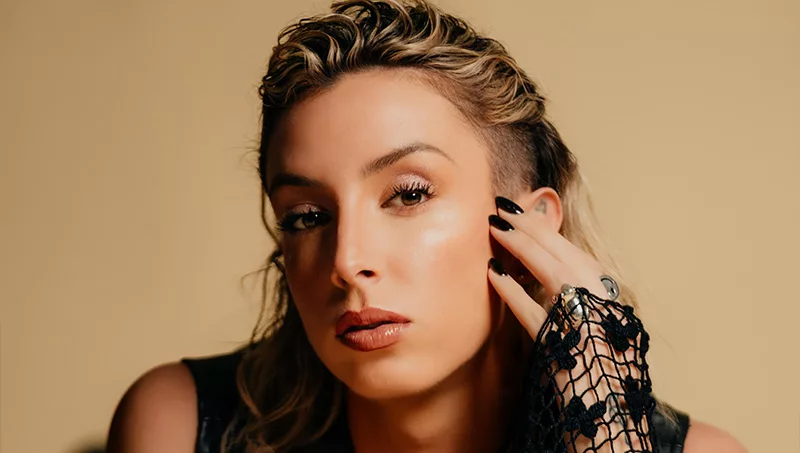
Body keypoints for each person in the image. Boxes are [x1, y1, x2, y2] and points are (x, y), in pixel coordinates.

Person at [106, 1, 747, 452]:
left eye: (408, 194)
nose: (345, 260)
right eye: (307, 217)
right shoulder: (180, 423)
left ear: (528, 232)